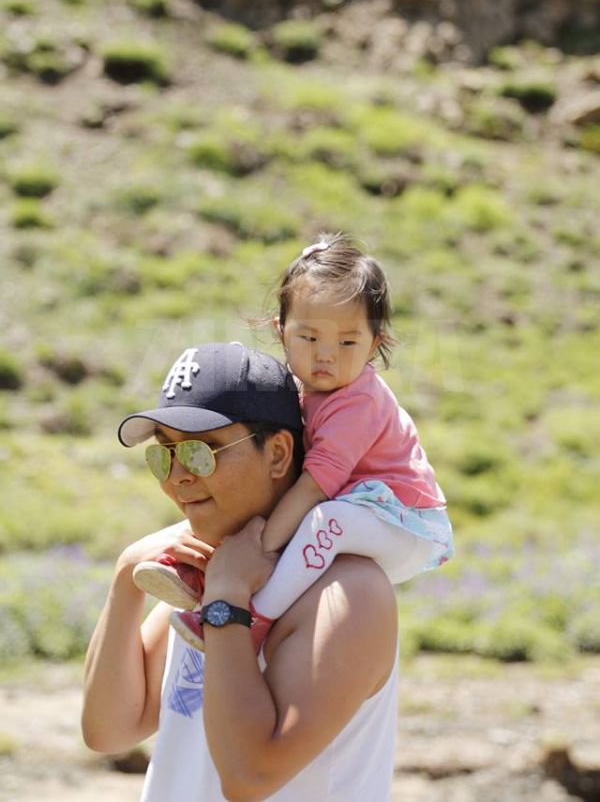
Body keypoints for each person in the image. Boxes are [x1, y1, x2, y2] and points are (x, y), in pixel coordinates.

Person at [81, 341, 400, 801]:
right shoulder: (209, 571)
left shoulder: (349, 593)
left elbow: (248, 778)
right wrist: (126, 575)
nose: (177, 476)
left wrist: (227, 600)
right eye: (164, 453)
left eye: (201, 451)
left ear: (278, 454)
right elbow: (109, 730)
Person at [139, 235, 453, 651]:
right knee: (270, 508)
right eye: (309, 338)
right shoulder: (303, 389)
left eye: (347, 342)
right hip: (358, 511)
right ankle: (201, 572)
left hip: (403, 522)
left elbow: (314, 487)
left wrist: (260, 547)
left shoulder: (358, 402)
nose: (326, 355)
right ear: (281, 331)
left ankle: (252, 616)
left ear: (374, 343)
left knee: (322, 519)